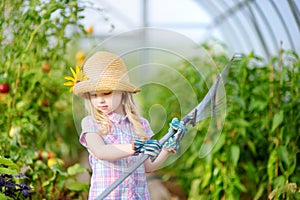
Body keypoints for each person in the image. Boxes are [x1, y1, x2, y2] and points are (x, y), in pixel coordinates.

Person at [70, 51, 186, 199]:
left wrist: (166, 148)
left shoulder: (140, 124)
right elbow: (101, 151)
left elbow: (146, 167)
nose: (100, 100)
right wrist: (135, 147)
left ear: (123, 92)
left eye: (106, 93)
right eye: (94, 95)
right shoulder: (92, 123)